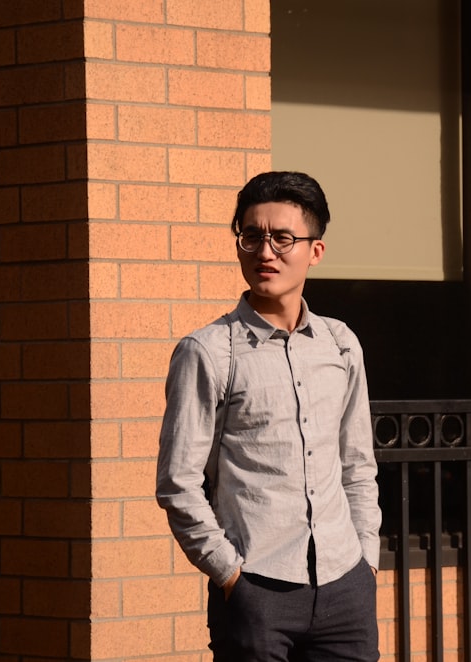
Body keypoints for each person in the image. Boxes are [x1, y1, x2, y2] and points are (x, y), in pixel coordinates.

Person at [156, 171, 382, 661]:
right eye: (252, 236)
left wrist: (366, 560)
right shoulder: (209, 352)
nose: (265, 252)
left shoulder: (341, 344)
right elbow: (178, 482)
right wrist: (230, 575)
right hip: (257, 590)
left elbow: (357, 465)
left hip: (346, 587)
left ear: (314, 251)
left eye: (283, 238)